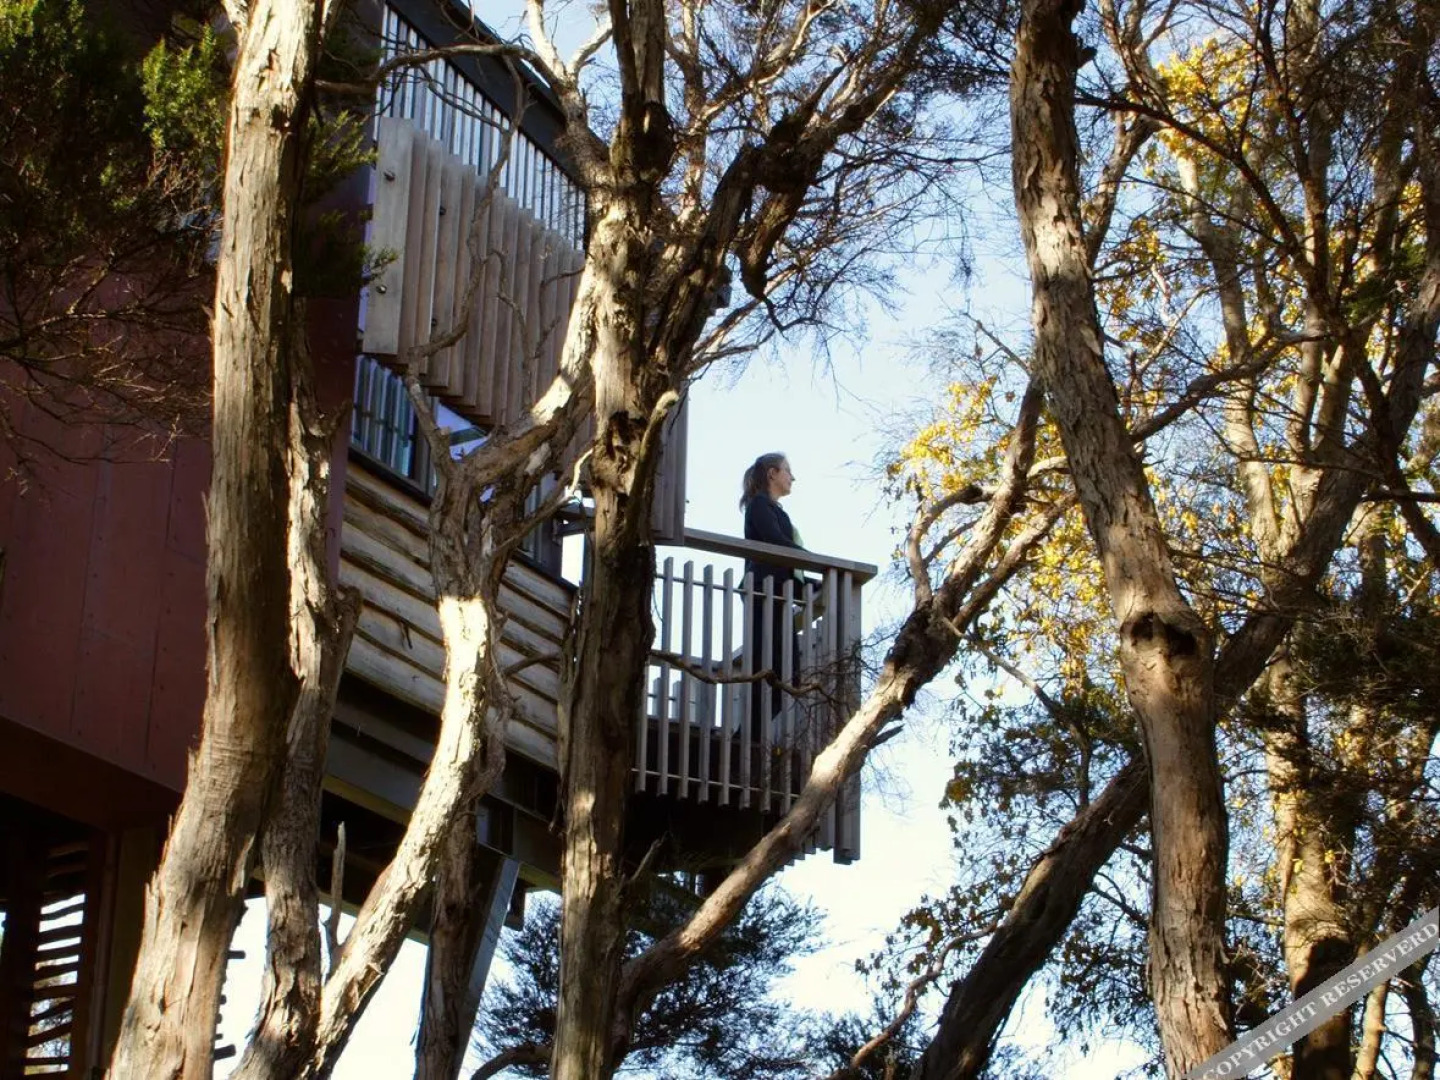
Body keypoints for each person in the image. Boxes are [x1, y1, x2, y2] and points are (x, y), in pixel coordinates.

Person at [739, 453, 808, 725]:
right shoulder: (758, 505)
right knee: (765, 668)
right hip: (763, 594)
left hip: (778, 595)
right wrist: (811, 559)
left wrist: (811, 579)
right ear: (772, 473)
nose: (792, 477)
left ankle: (753, 734)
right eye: (788, 471)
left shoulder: (778, 511)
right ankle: (748, 737)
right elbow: (775, 542)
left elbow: (786, 559)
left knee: (789, 674)